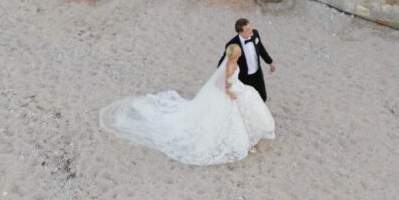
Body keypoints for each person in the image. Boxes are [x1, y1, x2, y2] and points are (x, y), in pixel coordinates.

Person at [100, 41, 274, 165]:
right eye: (239, 52)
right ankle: (247, 142)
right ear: (236, 54)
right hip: (231, 93)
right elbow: (219, 84)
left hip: (238, 89)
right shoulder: (229, 67)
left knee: (249, 104)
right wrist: (230, 92)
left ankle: (251, 138)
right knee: (232, 118)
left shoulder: (233, 64)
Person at [218, 17, 275, 103]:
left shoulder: (255, 34)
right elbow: (222, 61)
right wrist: (223, 80)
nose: (251, 30)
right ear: (240, 32)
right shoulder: (232, 44)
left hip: (257, 74)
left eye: (250, 27)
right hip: (244, 77)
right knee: (247, 100)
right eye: (247, 29)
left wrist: (270, 62)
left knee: (263, 97)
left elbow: (261, 49)